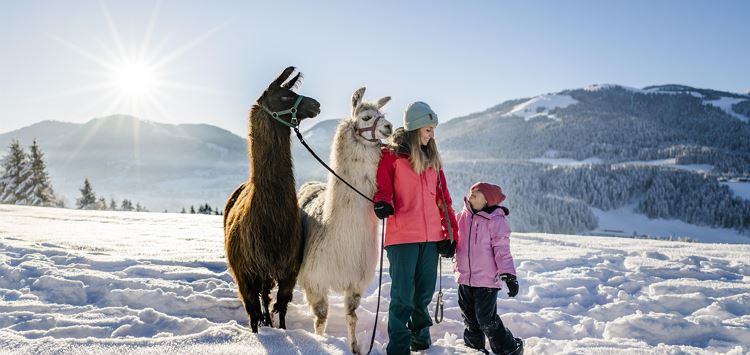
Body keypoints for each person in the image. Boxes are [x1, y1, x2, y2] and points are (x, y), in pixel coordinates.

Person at [373, 101, 458, 354]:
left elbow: (444, 200)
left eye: (433, 129)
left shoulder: (434, 161)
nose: (432, 134)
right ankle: (398, 348)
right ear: (415, 128)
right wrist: (382, 203)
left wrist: (450, 234)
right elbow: (383, 188)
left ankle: (421, 341)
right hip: (402, 238)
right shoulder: (391, 157)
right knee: (402, 296)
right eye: (428, 129)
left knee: (423, 294)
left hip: (431, 238)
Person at [455, 182, 523, 354]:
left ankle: (508, 348)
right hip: (464, 277)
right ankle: (474, 349)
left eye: (477, 193)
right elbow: (450, 235)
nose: (472, 194)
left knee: (486, 320)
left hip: (486, 281)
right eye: (472, 190)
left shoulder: (496, 221)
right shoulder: (461, 217)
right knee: (470, 320)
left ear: (487, 201)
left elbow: (502, 251)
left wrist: (508, 274)